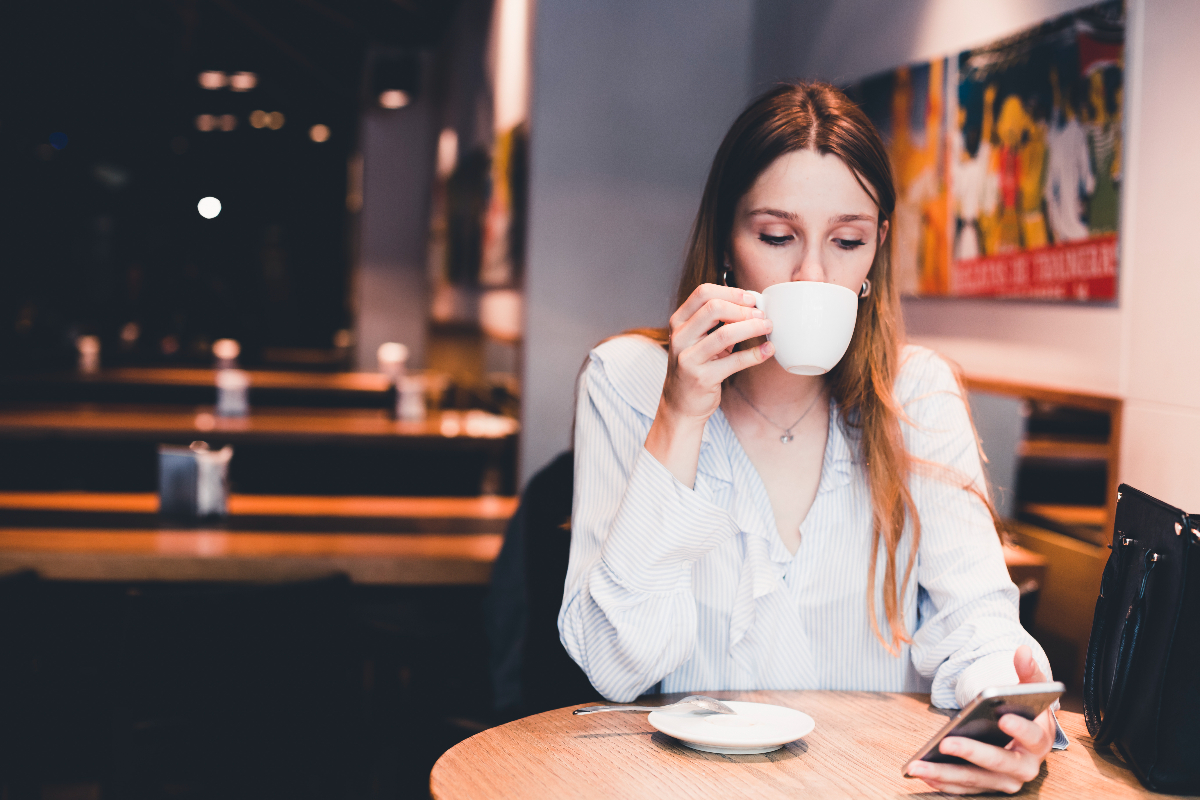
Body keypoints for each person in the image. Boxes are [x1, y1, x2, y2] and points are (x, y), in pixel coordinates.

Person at [559, 82, 1065, 795]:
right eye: (775, 236)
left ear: (877, 250)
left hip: (875, 785)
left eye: (848, 242)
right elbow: (617, 667)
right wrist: (680, 412)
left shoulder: (916, 392)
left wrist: (1009, 719)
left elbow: (977, 624)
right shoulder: (628, 380)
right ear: (726, 240)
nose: (812, 275)